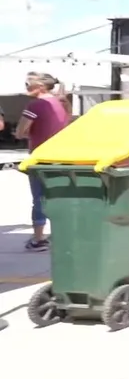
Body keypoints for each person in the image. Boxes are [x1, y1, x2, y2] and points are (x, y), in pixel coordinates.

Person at [15, 73, 70, 251]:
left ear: (40, 86)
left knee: (40, 199)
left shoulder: (35, 105)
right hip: (61, 158)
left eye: (28, 83)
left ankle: (39, 239)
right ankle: (63, 235)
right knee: (59, 197)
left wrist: (27, 134)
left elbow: (20, 132)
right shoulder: (61, 103)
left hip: (41, 158)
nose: (26, 87)